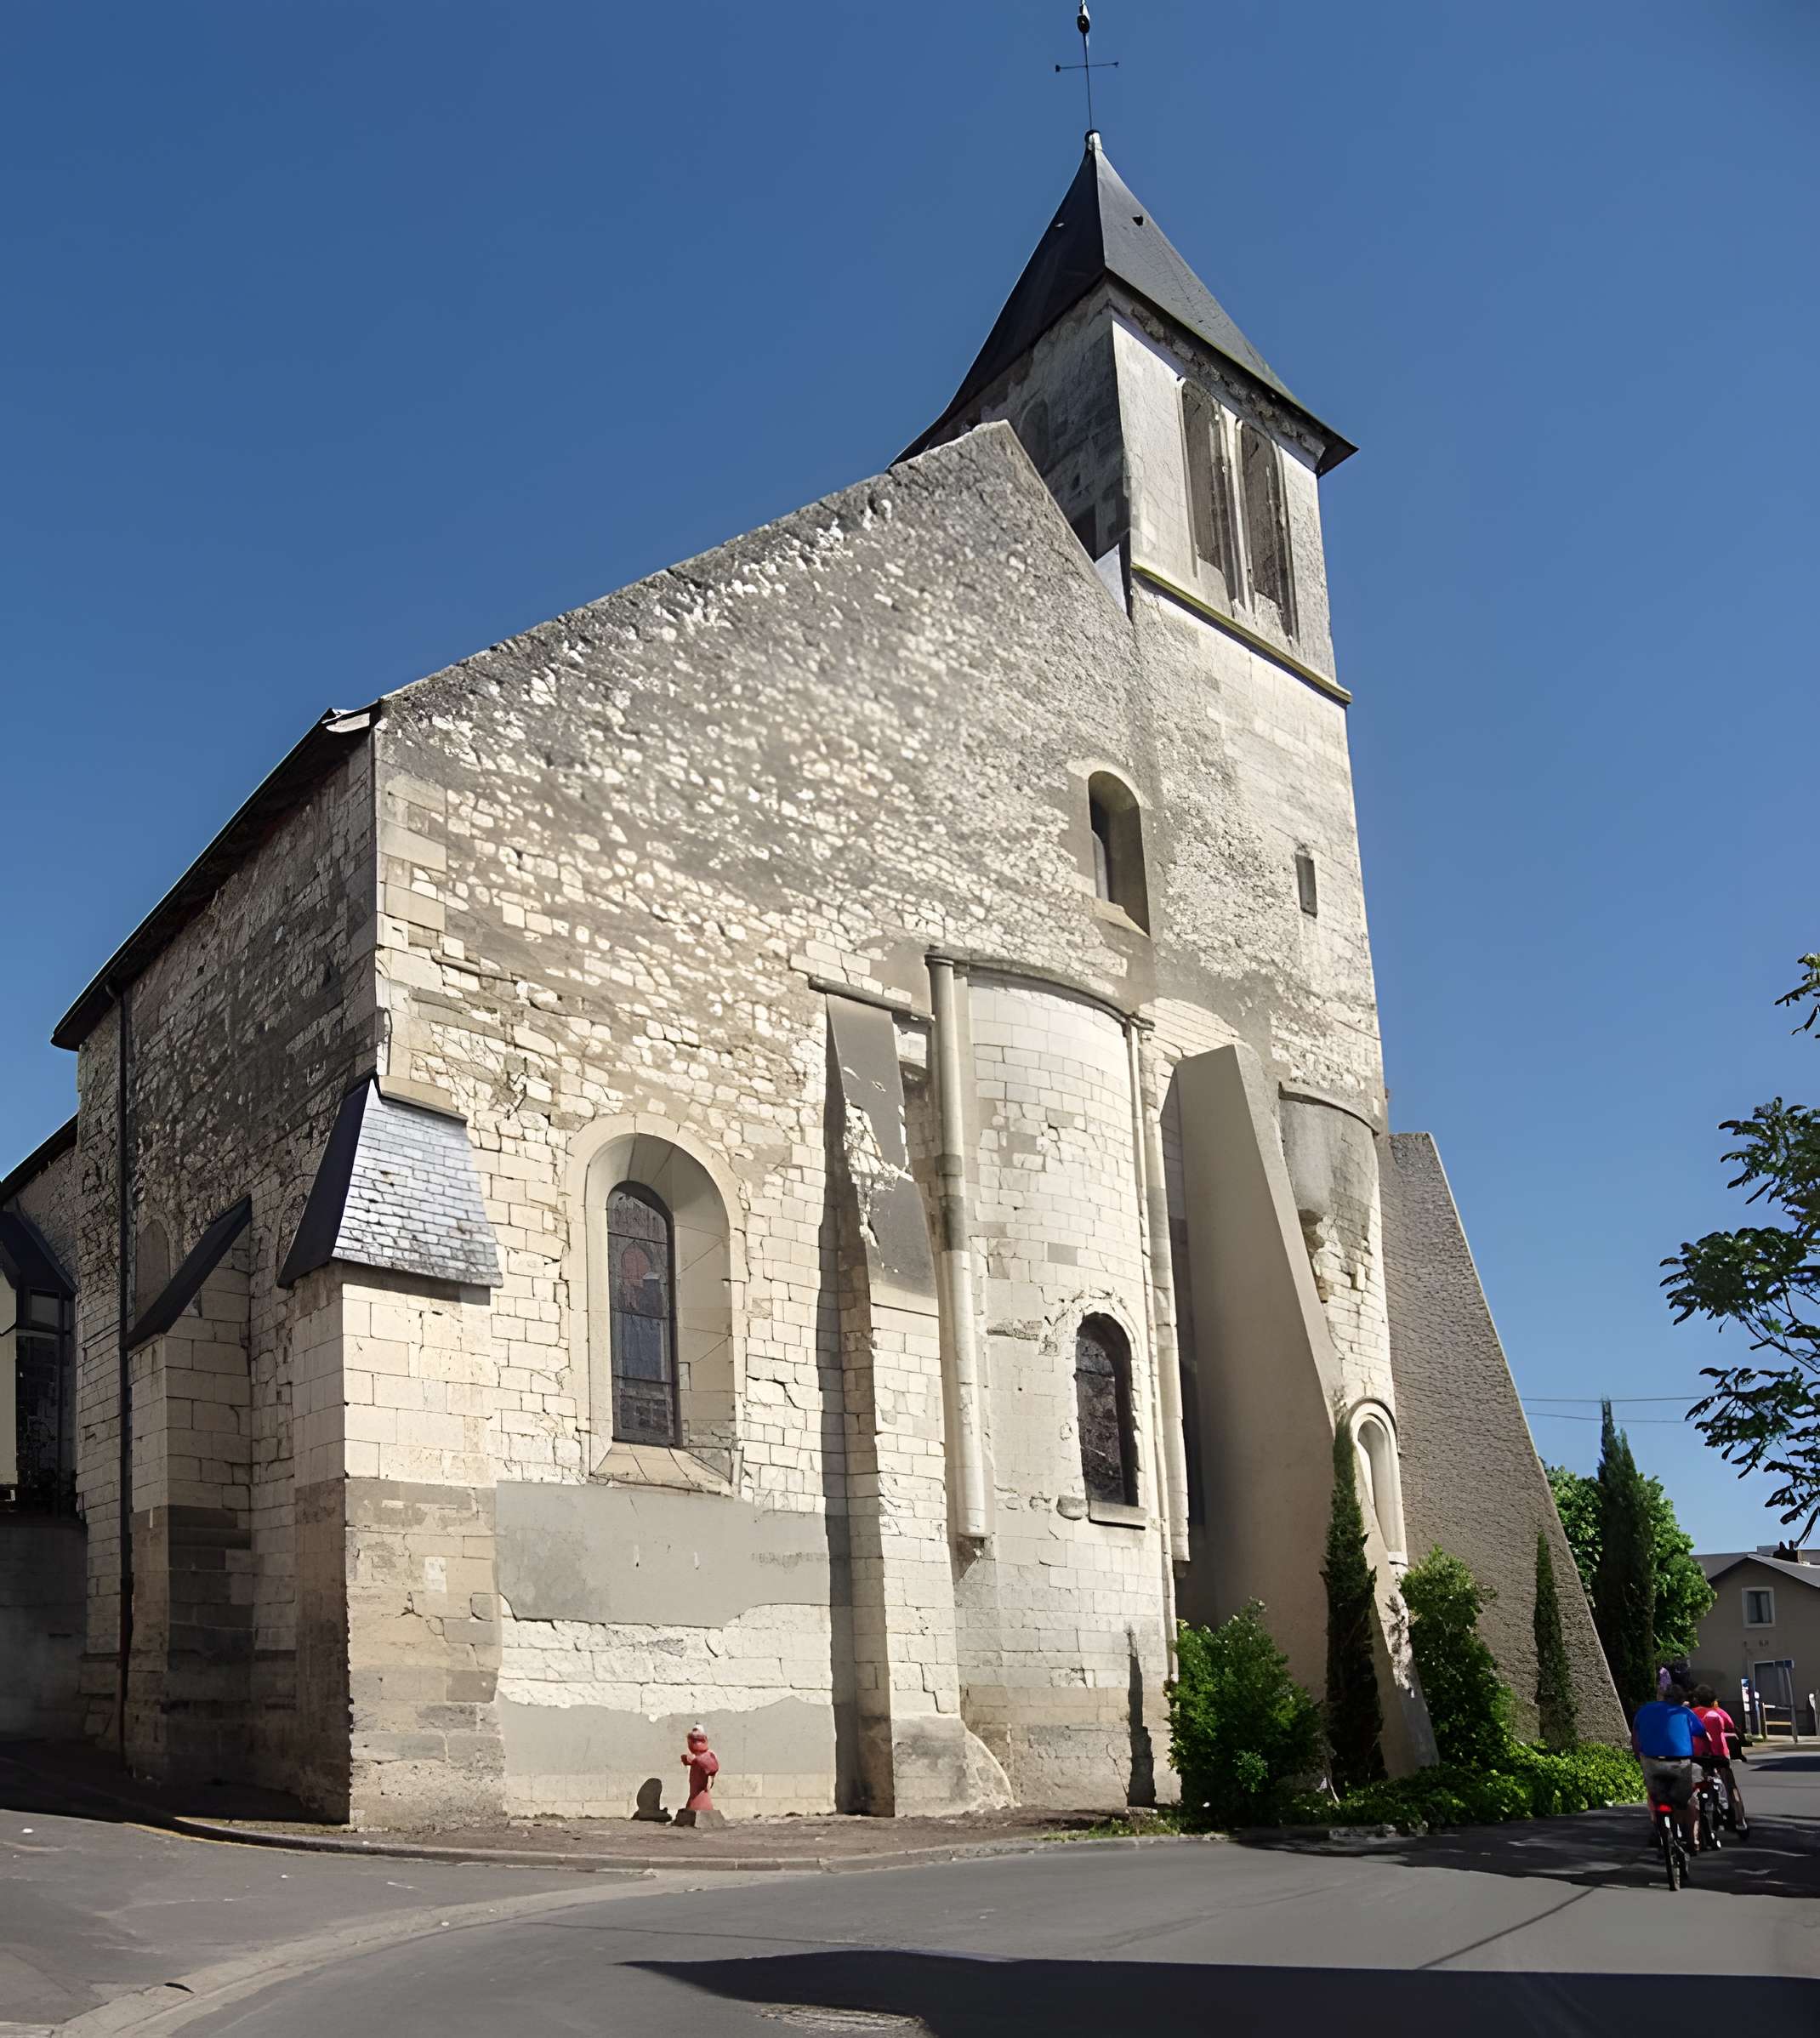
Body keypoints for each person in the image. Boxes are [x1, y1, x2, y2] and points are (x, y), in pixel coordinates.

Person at [1633, 1684, 1702, 1852]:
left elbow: (1635, 1737)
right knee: (1685, 1801)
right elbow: (1701, 1733)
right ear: (1681, 1700)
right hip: (1680, 1763)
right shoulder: (1684, 1713)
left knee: (1656, 1797)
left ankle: (1659, 1831)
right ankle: (1690, 1840)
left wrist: (1638, 1757)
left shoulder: (1644, 1710)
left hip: (1652, 1762)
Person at [1690, 1682, 1749, 1838]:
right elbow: (1731, 1727)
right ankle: (1740, 1820)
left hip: (1697, 1755)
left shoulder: (1691, 1714)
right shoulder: (1719, 1713)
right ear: (1713, 1700)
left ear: (1696, 1699)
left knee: (1695, 1784)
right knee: (1731, 1786)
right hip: (1719, 1754)